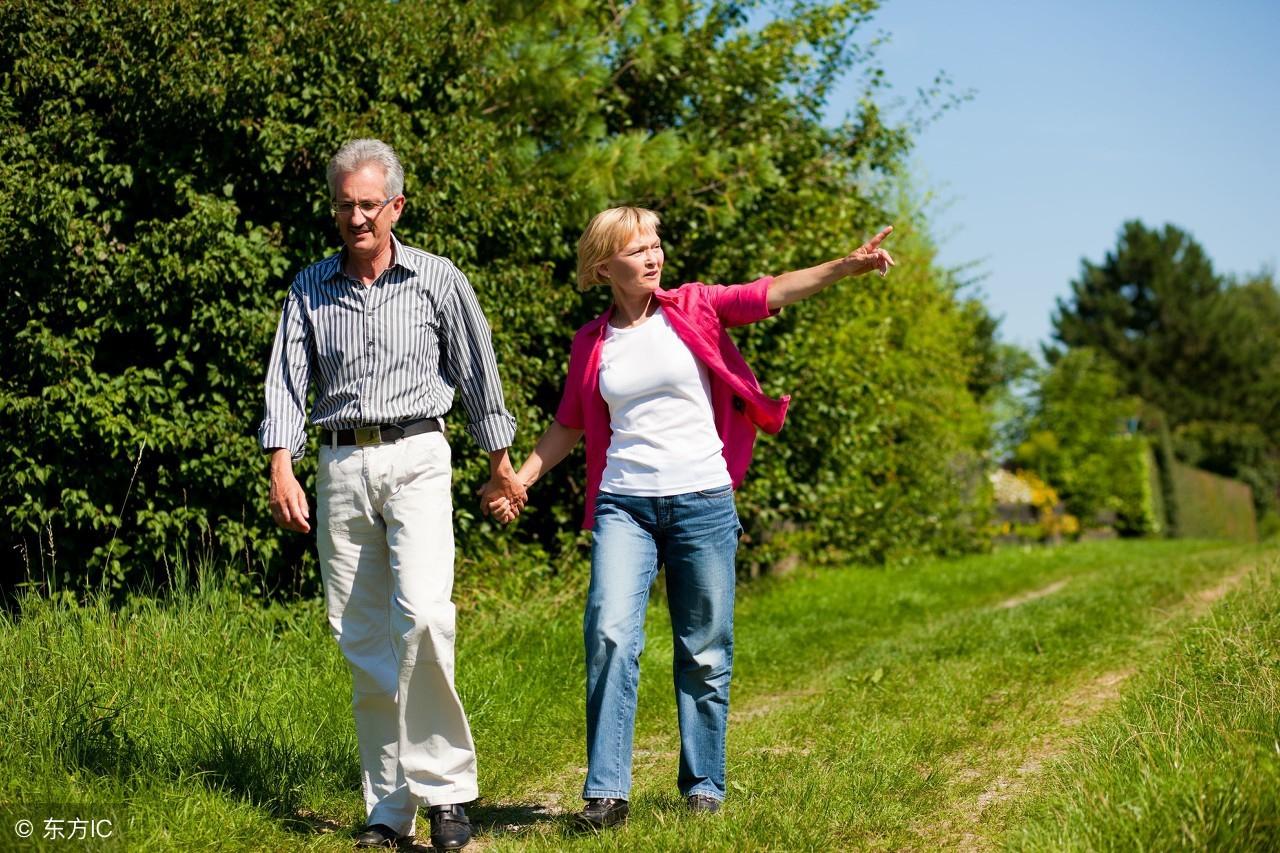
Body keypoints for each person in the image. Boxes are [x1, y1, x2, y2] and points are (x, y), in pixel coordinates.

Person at [488, 206, 894, 829]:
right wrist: (520, 478)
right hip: (624, 503)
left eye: (655, 243)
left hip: (702, 497)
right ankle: (606, 794)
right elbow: (570, 422)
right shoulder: (591, 342)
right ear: (604, 267)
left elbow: (769, 292)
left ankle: (703, 783)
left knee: (703, 648)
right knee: (609, 633)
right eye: (637, 248)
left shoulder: (695, 306)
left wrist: (846, 267)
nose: (653, 256)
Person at [259, 138, 526, 851]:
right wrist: (281, 466)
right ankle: (388, 806)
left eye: (369, 204)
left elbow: (478, 374)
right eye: (344, 204)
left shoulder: (438, 279)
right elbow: (286, 383)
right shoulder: (309, 287)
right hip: (341, 464)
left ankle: (446, 793)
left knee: (427, 618)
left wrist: (499, 463)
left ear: (396, 206)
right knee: (362, 639)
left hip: (418, 453)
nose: (356, 217)